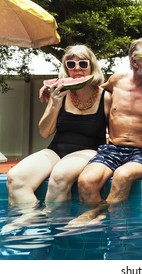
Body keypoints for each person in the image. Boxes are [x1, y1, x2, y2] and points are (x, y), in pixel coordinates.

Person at [76, 37, 142, 207]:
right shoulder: (117, 80)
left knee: (122, 176)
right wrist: (59, 90)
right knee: (86, 181)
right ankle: (98, 224)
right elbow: (94, 92)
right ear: (135, 61)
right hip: (112, 149)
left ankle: (98, 218)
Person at [6, 45, 111, 206]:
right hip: (55, 150)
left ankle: (56, 228)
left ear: (92, 67)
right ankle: (30, 223)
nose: (77, 69)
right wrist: (55, 104)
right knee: (15, 178)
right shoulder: (59, 93)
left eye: (83, 64)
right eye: (71, 64)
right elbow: (44, 132)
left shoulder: (105, 97)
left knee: (59, 177)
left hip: (90, 150)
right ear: (66, 68)